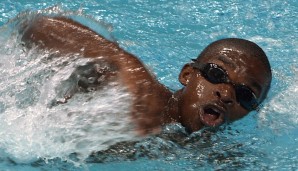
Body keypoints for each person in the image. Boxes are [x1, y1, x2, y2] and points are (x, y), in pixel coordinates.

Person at [20, 16, 272, 135]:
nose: (227, 93)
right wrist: (126, 64)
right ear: (187, 75)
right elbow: (34, 26)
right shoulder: (129, 91)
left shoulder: (216, 157)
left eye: (245, 95)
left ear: (251, 110)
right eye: (217, 73)